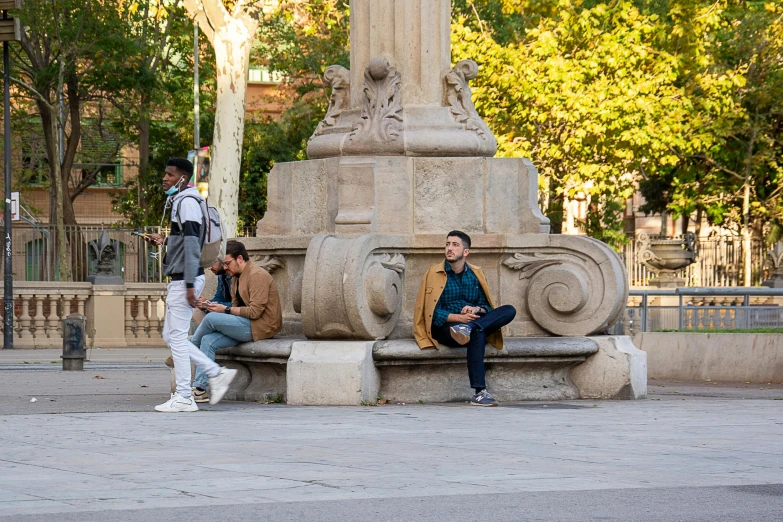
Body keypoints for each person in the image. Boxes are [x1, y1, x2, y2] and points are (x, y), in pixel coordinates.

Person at [143, 157, 237, 412]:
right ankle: (213, 374)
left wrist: (187, 285)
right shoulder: (187, 201)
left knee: (177, 339)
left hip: (185, 277)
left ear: (183, 177)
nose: (165, 178)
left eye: (170, 174)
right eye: (165, 173)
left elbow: (193, 242)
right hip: (184, 276)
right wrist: (165, 241)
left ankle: (185, 396)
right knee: (172, 336)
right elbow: (185, 240)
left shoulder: (186, 202)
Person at [413, 230, 516, 407]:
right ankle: (480, 392)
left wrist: (475, 309)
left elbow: (486, 307)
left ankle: (471, 328)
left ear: (465, 252)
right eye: (447, 244)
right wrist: (459, 318)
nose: (449, 249)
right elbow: (430, 312)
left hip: (471, 324)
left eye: (455, 245)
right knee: (479, 334)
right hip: (446, 327)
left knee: (509, 310)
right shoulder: (433, 273)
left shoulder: (476, 274)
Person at [190, 240, 283, 403]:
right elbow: (235, 306)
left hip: (260, 326)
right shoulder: (235, 277)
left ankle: (187, 350)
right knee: (208, 340)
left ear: (240, 258)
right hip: (243, 323)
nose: (225, 268)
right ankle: (199, 389)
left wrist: (223, 310)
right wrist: (216, 306)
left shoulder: (258, 275)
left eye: (227, 263)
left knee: (211, 319)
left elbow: (255, 312)